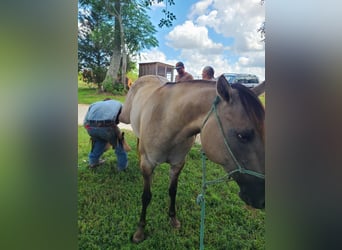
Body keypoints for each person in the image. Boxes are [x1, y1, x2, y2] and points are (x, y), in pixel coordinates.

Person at [83, 98, 131, 170]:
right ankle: (122, 167)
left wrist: (91, 129)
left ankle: (93, 163)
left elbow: (85, 122)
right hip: (108, 127)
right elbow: (125, 118)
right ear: (110, 100)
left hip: (90, 127)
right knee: (119, 145)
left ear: (103, 101)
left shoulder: (94, 104)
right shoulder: (119, 104)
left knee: (99, 142)